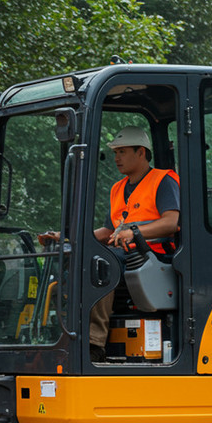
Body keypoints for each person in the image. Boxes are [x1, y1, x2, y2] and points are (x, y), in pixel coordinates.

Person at [39, 126, 180, 362]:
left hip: (152, 255)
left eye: (122, 152)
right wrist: (68, 238)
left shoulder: (163, 181)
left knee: (100, 263)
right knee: (71, 259)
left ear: (141, 153)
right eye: (115, 152)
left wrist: (134, 233)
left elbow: (171, 222)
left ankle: (94, 343)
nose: (116, 158)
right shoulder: (118, 188)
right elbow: (107, 231)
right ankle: (61, 335)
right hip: (123, 254)